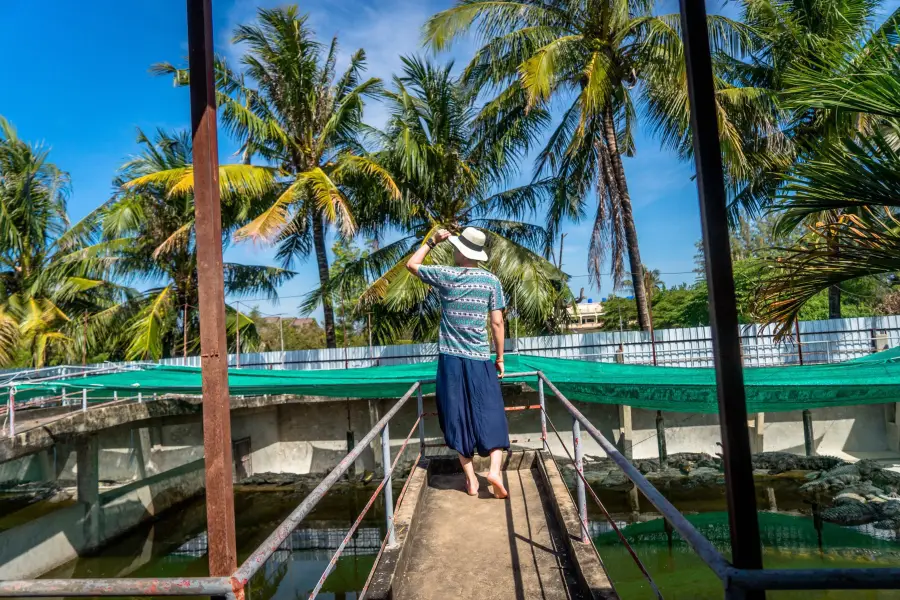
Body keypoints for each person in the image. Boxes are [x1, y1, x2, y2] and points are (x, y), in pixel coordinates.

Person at [406, 226, 510, 499]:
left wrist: (430, 242)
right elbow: (497, 322)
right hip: (480, 359)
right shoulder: (491, 281)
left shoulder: (446, 274)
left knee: (457, 417)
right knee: (491, 412)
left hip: (451, 360)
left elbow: (412, 265)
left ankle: (471, 480)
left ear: (460, 251)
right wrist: (499, 358)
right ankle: (495, 472)